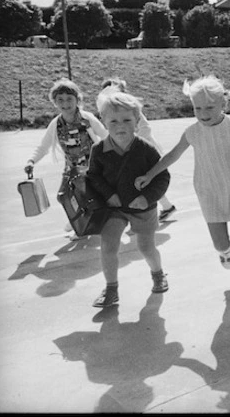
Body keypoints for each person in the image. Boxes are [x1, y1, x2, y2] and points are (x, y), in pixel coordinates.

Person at [136, 75, 230, 306]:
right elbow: (172, 155)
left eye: (209, 107)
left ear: (223, 104)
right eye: (197, 108)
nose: (203, 113)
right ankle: (225, 253)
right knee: (219, 243)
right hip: (210, 190)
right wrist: (150, 174)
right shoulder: (192, 132)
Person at [87, 91, 171, 308]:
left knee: (146, 247)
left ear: (137, 122)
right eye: (113, 120)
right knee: (108, 246)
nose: (119, 125)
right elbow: (93, 176)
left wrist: (147, 198)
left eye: (127, 120)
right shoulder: (98, 150)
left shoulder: (146, 149)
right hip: (114, 208)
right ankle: (111, 289)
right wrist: (109, 194)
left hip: (142, 207)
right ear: (104, 122)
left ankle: (158, 273)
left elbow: (162, 176)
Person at [24, 78, 108, 241]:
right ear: (54, 102)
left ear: (78, 100)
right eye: (60, 100)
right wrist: (31, 161)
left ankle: (82, 227)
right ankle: (78, 221)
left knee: (88, 196)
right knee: (64, 196)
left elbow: (104, 135)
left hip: (91, 166)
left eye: (69, 99)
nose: (65, 103)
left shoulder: (87, 119)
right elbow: (43, 146)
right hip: (71, 168)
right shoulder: (56, 124)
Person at [98, 78, 177, 222]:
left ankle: (141, 215)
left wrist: (134, 144)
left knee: (145, 180)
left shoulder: (132, 110)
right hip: (128, 152)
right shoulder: (111, 113)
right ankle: (166, 207)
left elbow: (145, 128)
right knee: (141, 181)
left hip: (143, 152)